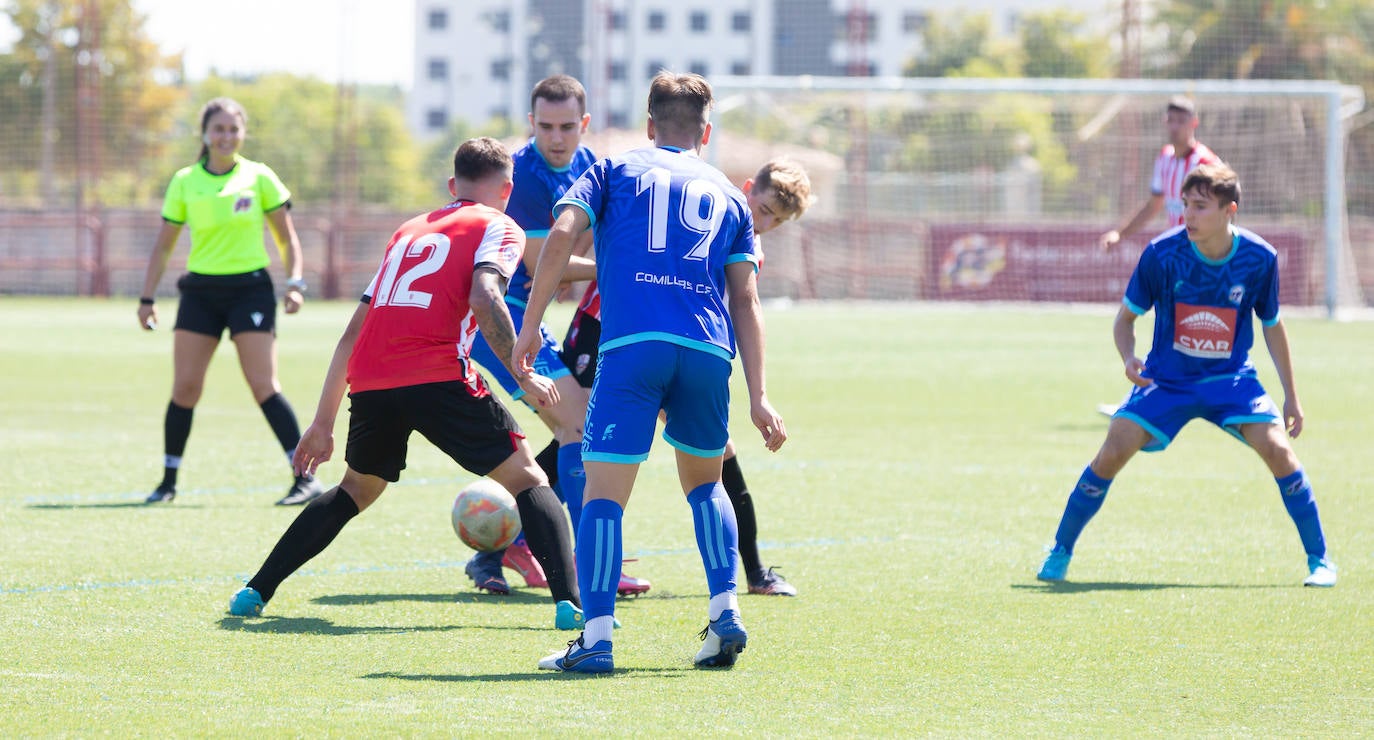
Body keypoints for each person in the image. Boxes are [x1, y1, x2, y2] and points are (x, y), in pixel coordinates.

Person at [226, 137, 588, 629]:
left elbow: (353, 331)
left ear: (451, 185)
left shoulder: (409, 231)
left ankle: (254, 590)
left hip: (373, 380)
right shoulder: (501, 225)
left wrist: (322, 423)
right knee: (529, 478)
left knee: (357, 488)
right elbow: (485, 297)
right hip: (437, 372)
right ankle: (571, 605)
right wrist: (524, 370)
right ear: (508, 189)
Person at [518, 71, 787, 674]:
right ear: (706, 132)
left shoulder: (614, 169)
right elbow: (746, 298)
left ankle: (597, 638)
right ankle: (725, 615)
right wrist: (760, 395)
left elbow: (561, 232)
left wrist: (532, 322)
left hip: (634, 346)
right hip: (708, 352)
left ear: (648, 125)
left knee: (604, 499)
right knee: (706, 486)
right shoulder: (726, 193)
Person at [1036, 163, 1337, 588]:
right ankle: (1060, 550)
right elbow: (1124, 321)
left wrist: (1292, 395)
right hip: (1167, 380)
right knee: (1112, 451)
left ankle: (1320, 560)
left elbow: (1272, 324)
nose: (1188, 215)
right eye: (1185, 205)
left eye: (1200, 206)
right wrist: (1128, 357)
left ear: (1229, 210)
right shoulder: (1162, 254)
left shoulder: (1259, 258)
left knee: (1279, 452)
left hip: (1231, 381)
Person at [558, 158, 814, 597]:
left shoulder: (743, 238)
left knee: (717, 454)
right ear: (749, 188)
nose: (764, 220)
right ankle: (520, 535)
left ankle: (752, 572)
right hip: (606, 329)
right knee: (575, 435)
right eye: (765, 207)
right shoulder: (704, 200)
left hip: (671, 348)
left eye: (776, 218)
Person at [464, 74, 650, 599]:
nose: (556, 137)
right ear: (532, 124)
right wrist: (616, 267)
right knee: (578, 424)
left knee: (576, 426)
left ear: (584, 124)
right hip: (501, 319)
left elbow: (590, 237)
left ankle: (510, 545)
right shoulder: (523, 175)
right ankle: (592, 564)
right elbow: (543, 261)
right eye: (545, 126)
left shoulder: (588, 165)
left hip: (531, 317)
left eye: (567, 126)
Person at [136, 97, 322, 506]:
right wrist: (147, 297)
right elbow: (163, 246)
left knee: (263, 385)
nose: (226, 136)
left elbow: (286, 237)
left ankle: (305, 478)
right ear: (204, 134)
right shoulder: (185, 180)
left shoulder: (259, 177)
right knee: (185, 387)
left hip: (249, 290)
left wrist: (294, 283)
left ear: (243, 133)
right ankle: (167, 482)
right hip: (200, 292)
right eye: (218, 129)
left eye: (233, 129)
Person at [1094, 95, 1224, 416]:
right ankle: (1151, 397)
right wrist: (1120, 234)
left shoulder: (1207, 164)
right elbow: (1154, 205)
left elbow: (1226, 211)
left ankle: (1156, 400)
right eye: (1170, 120)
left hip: (1199, 260)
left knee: (1189, 330)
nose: (1175, 127)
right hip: (1173, 259)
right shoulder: (1165, 158)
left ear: (1193, 124)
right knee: (1172, 329)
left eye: (1181, 121)